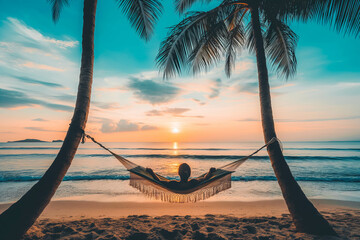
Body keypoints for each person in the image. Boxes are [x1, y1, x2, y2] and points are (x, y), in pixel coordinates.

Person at [145, 163, 216, 190]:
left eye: (185, 171)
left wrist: (210, 171)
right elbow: (159, 181)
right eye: (183, 171)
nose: (184, 172)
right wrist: (151, 172)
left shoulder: (192, 182)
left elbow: (205, 179)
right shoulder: (174, 183)